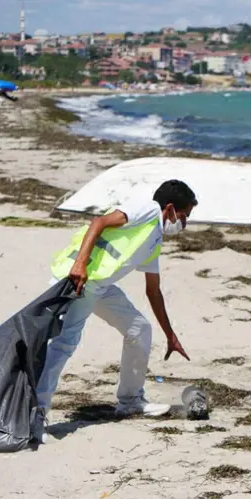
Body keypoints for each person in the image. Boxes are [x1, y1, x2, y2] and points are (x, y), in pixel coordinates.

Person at [32, 179, 197, 444]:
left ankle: (130, 400)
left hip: (100, 285)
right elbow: (98, 222)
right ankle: (36, 414)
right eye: (184, 216)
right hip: (81, 279)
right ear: (169, 208)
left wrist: (170, 335)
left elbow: (153, 291)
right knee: (64, 344)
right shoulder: (147, 209)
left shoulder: (154, 238)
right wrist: (80, 265)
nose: (184, 224)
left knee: (138, 329)